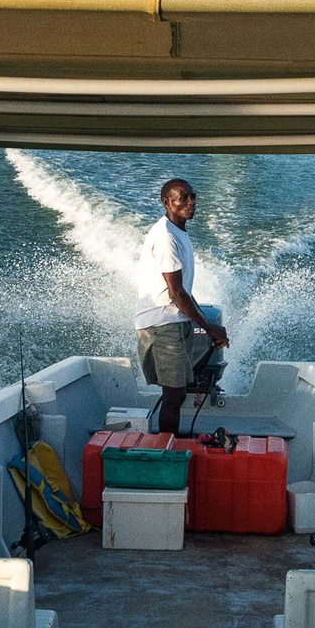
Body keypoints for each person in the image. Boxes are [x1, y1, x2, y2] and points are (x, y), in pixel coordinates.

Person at [135, 178, 229, 436]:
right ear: (166, 202)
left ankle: (170, 444)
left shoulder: (178, 233)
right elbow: (176, 293)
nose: (191, 203)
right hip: (162, 324)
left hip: (175, 322)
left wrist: (208, 325)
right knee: (173, 395)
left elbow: (183, 292)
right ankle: (167, 450)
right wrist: (209, 328)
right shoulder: (166, 236)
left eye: (193, 197)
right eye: (183, 198)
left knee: (176, 395)